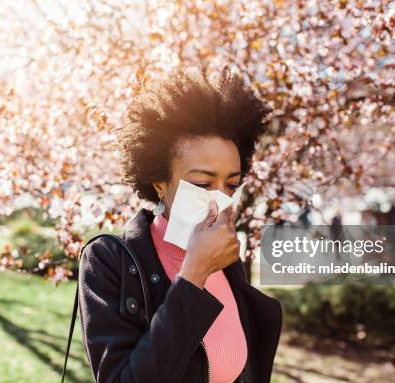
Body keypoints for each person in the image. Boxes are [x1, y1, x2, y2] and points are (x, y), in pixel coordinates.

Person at [78, 66, 282, 383]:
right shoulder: (108, 260)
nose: (220, 200)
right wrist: (193, 275)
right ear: (160, 181)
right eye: (202, 184)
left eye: (231, 185)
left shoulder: (227, 260)